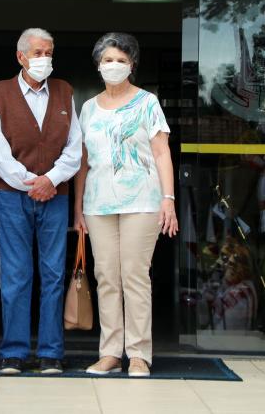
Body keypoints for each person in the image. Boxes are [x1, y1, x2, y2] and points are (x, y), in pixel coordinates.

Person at [74, 32, 178, 377]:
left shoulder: (147, 102)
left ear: (132, 65)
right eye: (108, 60)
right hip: (98, 204)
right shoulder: (88, 108)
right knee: (106, 277)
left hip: (142, 202)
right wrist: (78, 207)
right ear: (98, 65)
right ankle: (109, 353)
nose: (114, 65)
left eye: (121, 60)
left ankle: (138, 354)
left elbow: (161, 152)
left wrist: (168, 199)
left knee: (134, 275)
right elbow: (83, 162)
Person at [0, 28, 82, 375]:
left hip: (55, 196)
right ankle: (14, 352)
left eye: (49, 53)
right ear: (21, 56)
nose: (45, 59)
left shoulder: (64, 91)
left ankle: (51, 353)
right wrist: (32, 183)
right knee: (15, 274)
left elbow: (75, 148)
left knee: (53, 274)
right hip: (12, 197)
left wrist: (50, 180)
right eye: (38, 53)